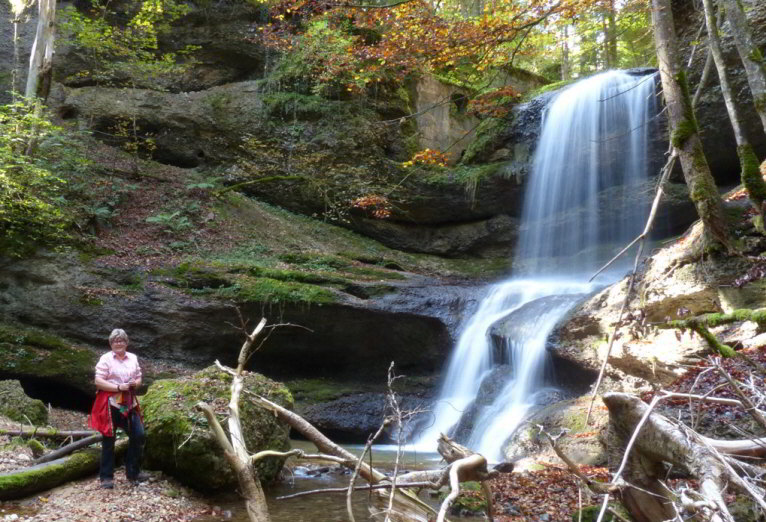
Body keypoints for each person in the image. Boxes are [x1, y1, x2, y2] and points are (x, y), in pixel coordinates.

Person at [88, 328, 148, 489]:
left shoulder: (133, 358)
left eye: (121, 340)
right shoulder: (105, 359)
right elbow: (98, 381)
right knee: (109, 439)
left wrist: (136, 383)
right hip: (111, 403)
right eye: (115, 341)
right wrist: (118, 387)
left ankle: (133, 472)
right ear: (111, 343)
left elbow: (139, 376)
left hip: (129, 402)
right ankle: (106, 477)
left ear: (126, 343)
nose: (118, 343)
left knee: (138, 434)